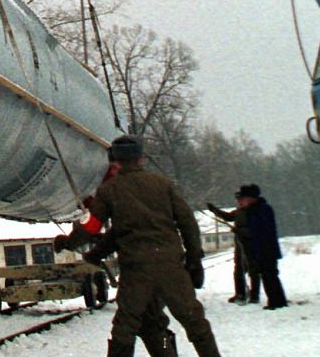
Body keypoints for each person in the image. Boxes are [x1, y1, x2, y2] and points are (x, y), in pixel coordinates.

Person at [80, 135, 221, 357]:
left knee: (126, 327)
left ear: (115, 161)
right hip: (170, 268)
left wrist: (72, 244)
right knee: (191, 321)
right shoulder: (162, 184)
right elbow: (187, 221)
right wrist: (194, 258)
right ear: (141, 158)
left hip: (136, 272)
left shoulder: (110, 190)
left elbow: (94, 228)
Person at [55, 157, 178, 357]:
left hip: (143, 272)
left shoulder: (122, 194)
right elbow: (118, 233)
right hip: (164, 268)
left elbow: (99, 229)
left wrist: (69, 243)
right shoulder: (148, 192)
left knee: (130, 328)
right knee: (151, 324)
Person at [239, 184, 288, 309]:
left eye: (243, 198)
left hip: (266, 249)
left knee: (269, 276)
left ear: (250, 198)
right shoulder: (257, 209)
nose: (241, 201)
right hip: (262, 249)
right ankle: (278, 301)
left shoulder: (260, 210)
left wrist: (243, 232)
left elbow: (260, 231)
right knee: (270, 276)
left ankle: (275, 302)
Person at [206, 195, 259, 304]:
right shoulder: (239, 211)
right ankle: (240, 294)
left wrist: (240, 231)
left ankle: (254, 296)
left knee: (253, 270)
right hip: (239, 244)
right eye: (238, 200)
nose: (239, 202)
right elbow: (228, 217)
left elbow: (255, 230)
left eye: (241, 199)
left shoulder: (254, 212)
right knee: (238, 270)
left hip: (251, 245)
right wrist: (214, 210)